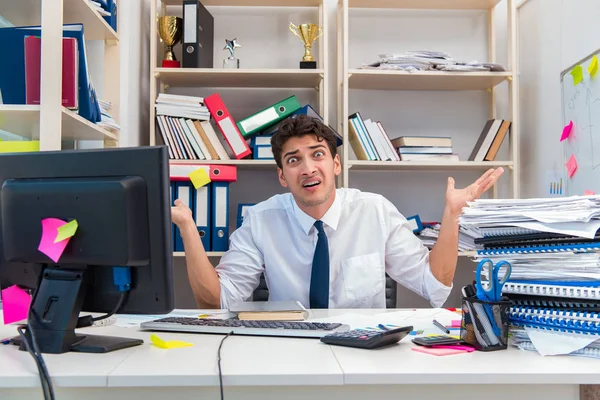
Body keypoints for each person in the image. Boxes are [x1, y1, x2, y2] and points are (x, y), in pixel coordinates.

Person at [171, 114, 504, 310]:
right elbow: (218, 302)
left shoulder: (374, 210)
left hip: (364, 355)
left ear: (336, 164)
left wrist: (453, 216)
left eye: (317, 155)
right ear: (281, 176)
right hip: (290, 355)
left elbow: (434, 284)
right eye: (293, 160)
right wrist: (187, 226)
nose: (307, 168)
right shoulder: (261, 220)